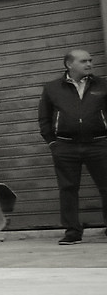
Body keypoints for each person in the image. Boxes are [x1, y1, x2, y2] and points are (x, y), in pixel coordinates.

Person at [39, 46, 107, 243]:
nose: (89, 64)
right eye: (84, 61)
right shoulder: (52, 88)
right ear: (69, 64)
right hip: (66, 146)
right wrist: (53, 142)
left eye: (90, 60)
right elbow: (44, 118)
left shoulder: (102, 85)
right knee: (68, 189)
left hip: (99, 144)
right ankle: (72, 231)